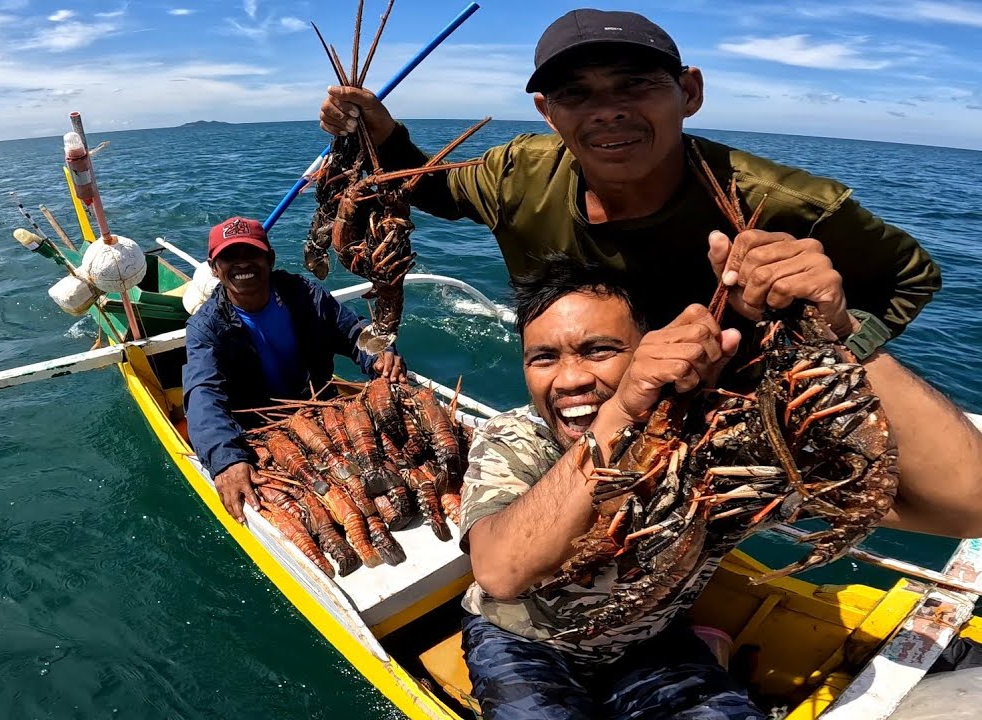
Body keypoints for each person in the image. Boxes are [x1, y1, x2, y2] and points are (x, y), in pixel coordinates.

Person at [458, 251, 982, 719]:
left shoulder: (720, 455)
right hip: (520, 640)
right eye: (543, 357)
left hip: (653, 643)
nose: (569, 378)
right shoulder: (517, 438)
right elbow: (502, 572)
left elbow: (968, 507)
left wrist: (846, 337)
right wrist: (620, 411)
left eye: (598, 350)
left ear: (653, 349)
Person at [318, 8, 941, 349]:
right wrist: (381, 133)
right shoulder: (517, 171)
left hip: (719, 410)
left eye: (635, 84)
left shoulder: (784, 203)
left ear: (688, 92)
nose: (607, 111)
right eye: (576, 94)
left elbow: (911, 278)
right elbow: (431, 188)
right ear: (547, 112)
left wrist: (842, 333)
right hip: (579, 402)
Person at [183, 216, 406, 523]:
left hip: (321, 411)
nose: (242, 263)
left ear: (270, 258)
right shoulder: (205, 327)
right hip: (260, 432)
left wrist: (380, 352)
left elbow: (353, 331)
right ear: (214, 268)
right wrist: (226, 459)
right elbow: (203, 394)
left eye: (251, 253)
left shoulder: (304, 294)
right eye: (230, 256)